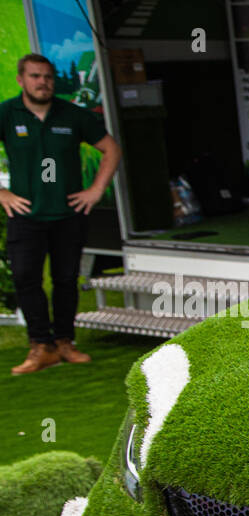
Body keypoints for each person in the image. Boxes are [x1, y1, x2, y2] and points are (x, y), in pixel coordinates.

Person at [1, 53, 120, 375]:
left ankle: (65, 342)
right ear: (21, 79)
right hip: (26, 215)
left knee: (66, 280)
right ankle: (41, 346)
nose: (43, 82)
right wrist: (2, 193)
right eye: (36, 76)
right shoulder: (6, 113)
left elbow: (111, 148)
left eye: (48, 77)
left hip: (68, 214)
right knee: (27, 278)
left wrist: (96, 191)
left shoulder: (73, 115)